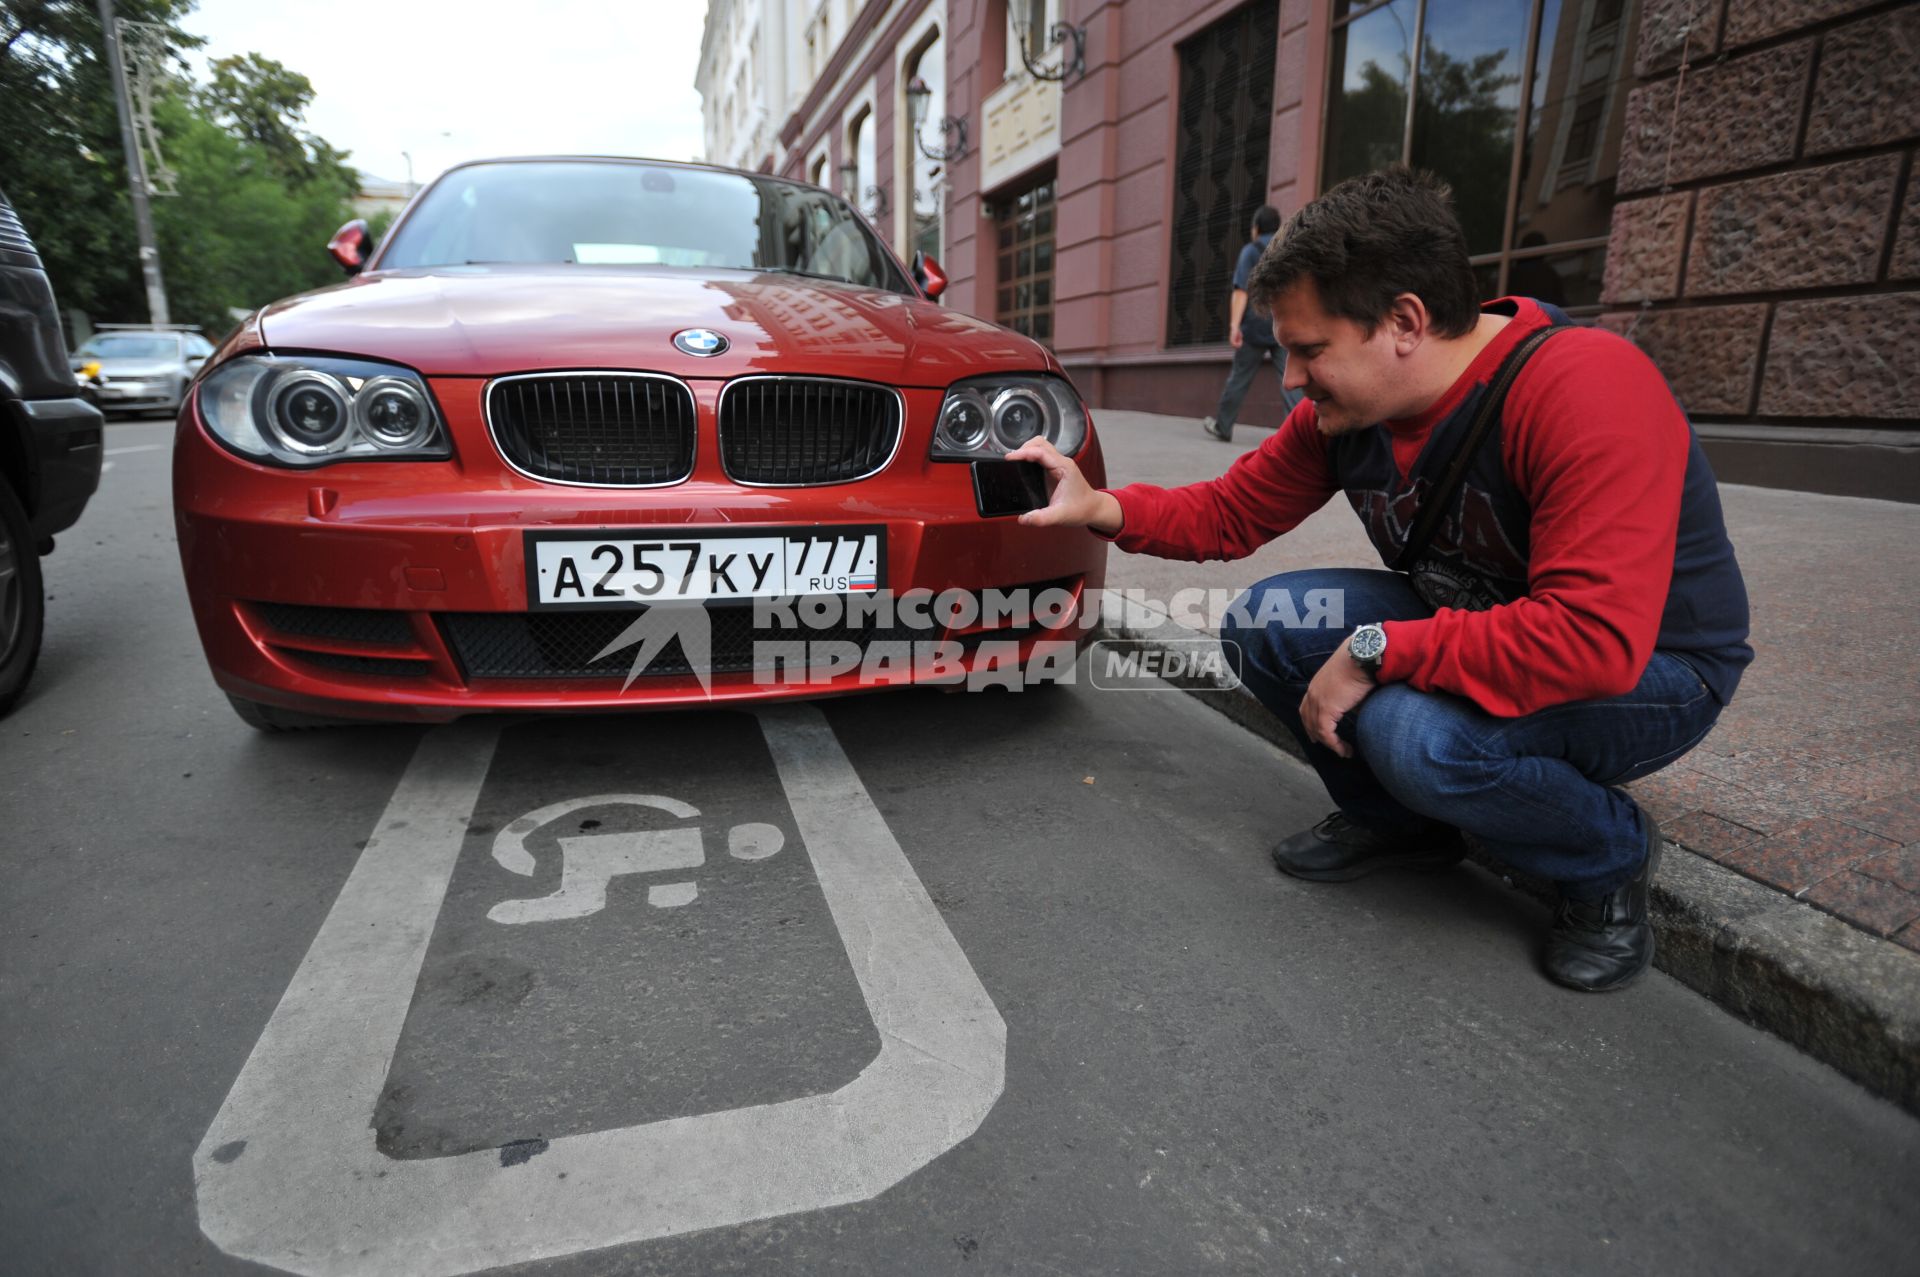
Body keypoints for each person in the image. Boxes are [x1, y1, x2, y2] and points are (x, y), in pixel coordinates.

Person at [1009, 167, 1751, 993]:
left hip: (1656, 671)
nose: (1288, 378)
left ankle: (1607, 854)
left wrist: (1374, 651)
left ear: (1404, 321)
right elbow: (1228, 512)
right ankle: (1402, 825)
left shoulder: (1584, 388)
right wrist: (1099, 504)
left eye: (1308, 349)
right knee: (1268, 619)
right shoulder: (1348, 414)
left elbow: (1592, 640)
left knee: (1411, 731)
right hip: (1484, 618)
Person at [1200, 204, 1301, 443]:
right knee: (1292, 380)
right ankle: (1298, 435)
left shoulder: (1251, 251)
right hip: (1284, 324)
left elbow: (1241, 291)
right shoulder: (1287, 249)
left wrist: (1234, 326)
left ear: (1256, 228)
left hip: (1255, 324)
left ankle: (1223, 426)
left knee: (1239, 378)